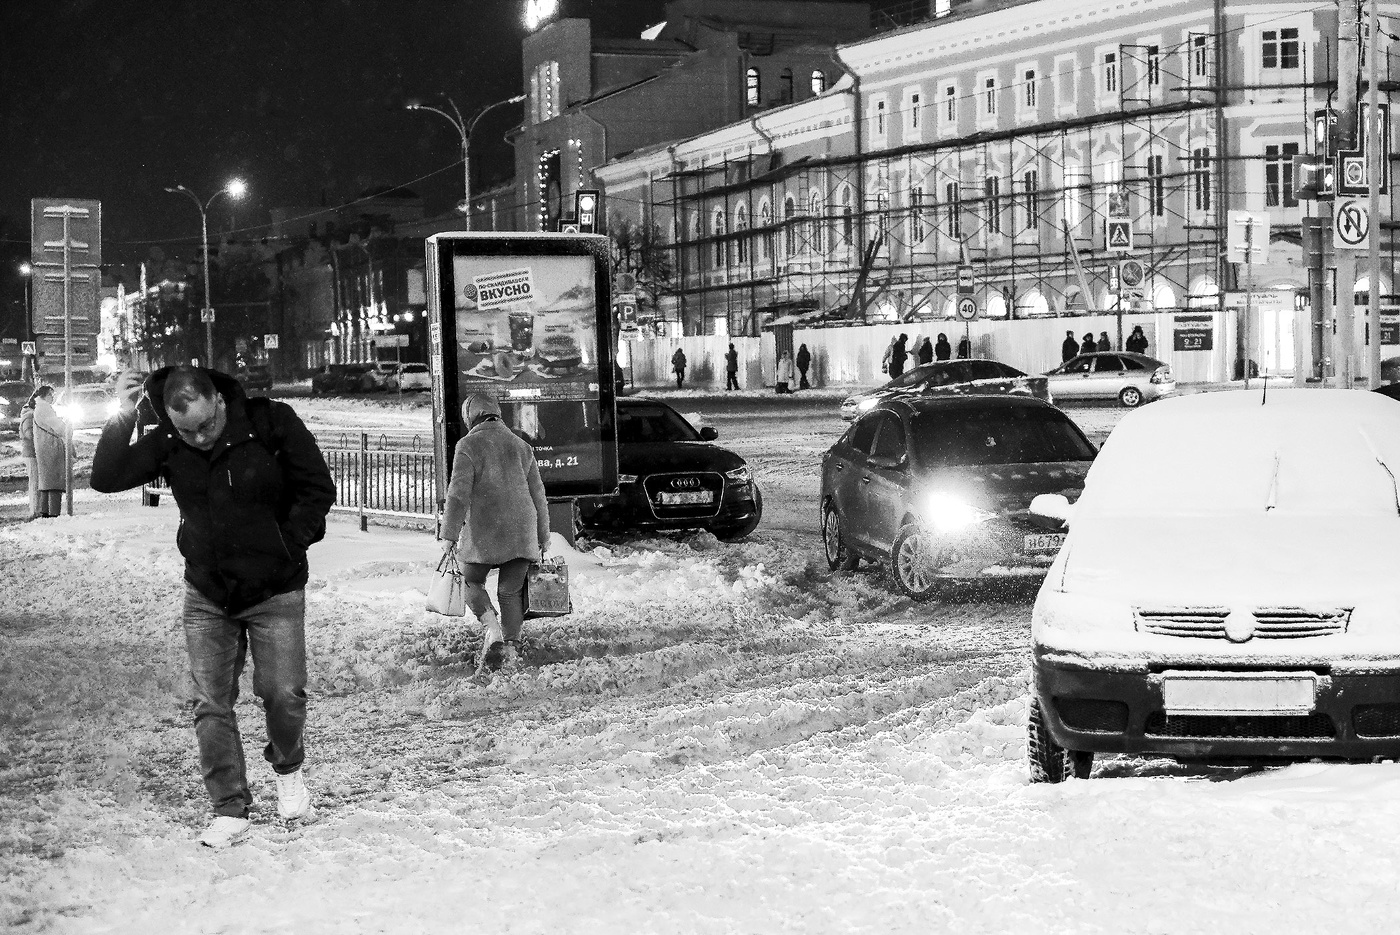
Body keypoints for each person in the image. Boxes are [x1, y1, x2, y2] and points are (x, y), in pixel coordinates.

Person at [90, 366, 336, 849]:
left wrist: (286, 545)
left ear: (219, 401)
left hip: (275, 589)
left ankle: (288, 771)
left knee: (283, 693)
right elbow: (106, 477)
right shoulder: (169, 441)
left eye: (206, 425)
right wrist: (122, 414)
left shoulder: (271, 422)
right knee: (210, 703)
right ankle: (229, 808)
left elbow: (317, 489)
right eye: (187, 431)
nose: (199, 438)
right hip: (207, 593)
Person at [439, 393, 550, 677]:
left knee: (469, 581)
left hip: (485, 530)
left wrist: (449, 533)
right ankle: (511, 648)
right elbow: (538, 495)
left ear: (470, 417)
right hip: (522, 530)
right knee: (510, 592)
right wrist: (543, 535)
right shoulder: (521, 445)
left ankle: (492, 628)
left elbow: (458, 494)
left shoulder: (468, 445)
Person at [31, 386, 67, 519]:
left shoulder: (39, 408)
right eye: (52, 395)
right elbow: (59, 427)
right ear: (46, 396)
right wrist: (67, 426)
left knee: (46, 481)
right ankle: (53, 512)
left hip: (44, 447)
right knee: (54, 481)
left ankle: (45, 510)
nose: (53, 397)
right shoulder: (45, 408)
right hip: (50, 448)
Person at [19, 388, 39, 519]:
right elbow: (29, 434)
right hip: (32, 453)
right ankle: (35, 510)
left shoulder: (31, 414)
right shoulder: (30, 415)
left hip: (33, 452)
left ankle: (37, 509)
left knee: (36, 482)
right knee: (35, 482)